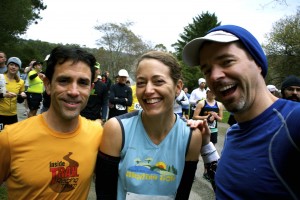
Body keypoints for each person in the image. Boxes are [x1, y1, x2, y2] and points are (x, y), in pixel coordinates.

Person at [183, 24, 300, 199]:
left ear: (258, 63)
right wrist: (207, 145)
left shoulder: (294, 122)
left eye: (227, 61)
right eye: (207, 70)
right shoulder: (235, 132)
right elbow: (229, 188)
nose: (214, 76)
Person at [95, 51, 217, 199]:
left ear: (178, 87)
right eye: (141, 83)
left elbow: (182, 194)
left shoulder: (191, 136)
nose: (148, 90)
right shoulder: (117, 129)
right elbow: (104, 193)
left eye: (158, 81)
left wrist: (205, 145)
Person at [0, 46, 103, 199]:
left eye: (83, 83)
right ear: (48, 84)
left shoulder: (98, 134)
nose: (74, 91)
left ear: (90, 89)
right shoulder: (10, 138)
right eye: (64, 80)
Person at [192, 88, 223, 181]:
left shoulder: (219, 104)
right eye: (211, 91)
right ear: (207, 93)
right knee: (196, 151)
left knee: (209, 151)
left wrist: (216, 116)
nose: (213, 93)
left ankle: (207, 172)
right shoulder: (202, 103)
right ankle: (192, 172)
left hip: (213, 130)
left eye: (214, 92)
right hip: (201, 129)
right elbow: (194, 116)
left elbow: (220, 119)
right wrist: (207, 117)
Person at [0, 57, 26, 130]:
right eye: (11, 64)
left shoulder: (21, 82)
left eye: (16, 66)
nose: (13, 67)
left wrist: (22, 96)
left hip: (13, 115)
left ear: (18, 68)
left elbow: (20, 101)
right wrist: (4, 95)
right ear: (7, 65)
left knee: (11, 139)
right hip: (0, 114)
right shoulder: (0, 78)